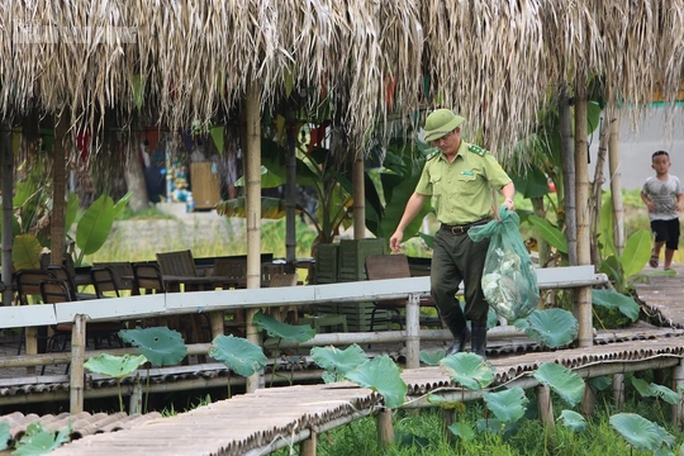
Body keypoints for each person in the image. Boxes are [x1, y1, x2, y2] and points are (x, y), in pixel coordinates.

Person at [389, 109, 515, 358]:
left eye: (444, 137)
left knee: (475, 293)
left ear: (457, 131)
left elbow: (505, 183)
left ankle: (478, 348)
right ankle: (460, 335)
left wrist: (508, 200)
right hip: (446, 235)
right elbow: (418, 196)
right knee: (438, 288)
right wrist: (400, 228)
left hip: (477, 232)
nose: (441, 143)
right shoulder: (432, 163)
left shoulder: (479, 157)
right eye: (436, 140)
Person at [641, 150, 684, 271]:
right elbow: (643, 194)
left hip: (672, 215)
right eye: (658, 163)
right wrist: (648, 202)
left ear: (669, 164)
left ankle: (667, 265)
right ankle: (656, 252)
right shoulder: (650, 182)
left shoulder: (674, 180)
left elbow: (680, 194)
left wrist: (680, 203)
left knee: (673, 241)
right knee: (662, 236)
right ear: (653, 166)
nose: (661, 165)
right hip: (656, 216)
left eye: (664, 162)